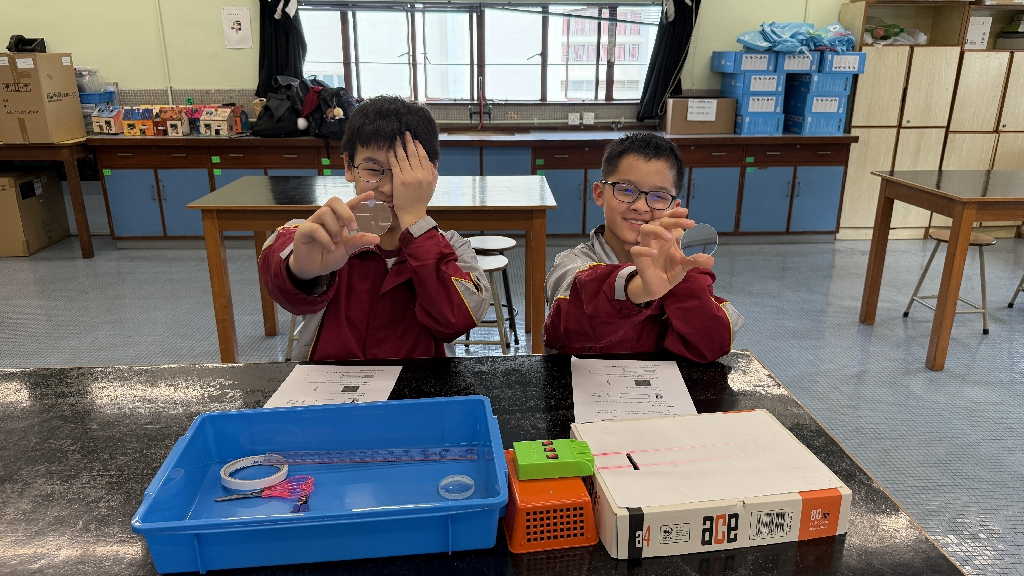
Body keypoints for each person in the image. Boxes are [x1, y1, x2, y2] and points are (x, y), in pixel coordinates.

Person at [259, 96, 491, 360]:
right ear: (349, 167)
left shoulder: (451, 249)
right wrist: (299, 270)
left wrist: (415, 220)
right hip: (330, 383)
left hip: (418, 384)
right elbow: (277, 265)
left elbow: (458, 320)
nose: (389, 188)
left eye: (405, 172)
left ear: (431, 174)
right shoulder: (320, 236)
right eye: (372, 169)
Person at [543, 132, 743, 362]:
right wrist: (638, 288)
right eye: (626, 190)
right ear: (599, 194)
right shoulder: (572, 264)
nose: (641, 206)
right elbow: (568, 322)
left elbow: (711, 346)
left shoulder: (683, 270)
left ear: (675, 207)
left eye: (658, 197)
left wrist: (682, 281)